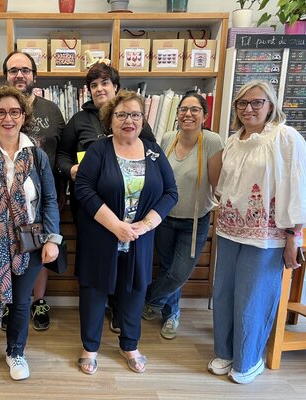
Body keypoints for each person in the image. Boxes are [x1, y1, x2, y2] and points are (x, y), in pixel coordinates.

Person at [0, 85, 62, 388]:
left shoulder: (38, 157)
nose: (8, 118)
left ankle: (15, 353)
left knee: (20, 304)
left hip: (28, 243)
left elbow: (50, 199)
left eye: (14, 112)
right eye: (0, 112)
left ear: (23, 116)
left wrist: (52, 239)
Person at [208, 80, 306, 384]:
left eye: (256, 102)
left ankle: (247, 360)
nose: (248, 108)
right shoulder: (233, 141)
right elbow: (224, 186)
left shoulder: (285, 137)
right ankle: (225, 352)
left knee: (253, 298)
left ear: (270, 105)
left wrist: (294, 236)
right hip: (229, 230)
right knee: (224, 293)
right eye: (242, 103)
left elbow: (298, 188)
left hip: (266, 237)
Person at [74, 90, 177, 375]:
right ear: (110, 119)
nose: (128, 120)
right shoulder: (98, 150)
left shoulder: (154, 152)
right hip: (101, 236)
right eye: (121, 115)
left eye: (134, 114)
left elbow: (171, 192)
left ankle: (130, 345)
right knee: (94, 291)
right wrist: (115, 225)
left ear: (143, 120)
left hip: (139, 239)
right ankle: (90, 347)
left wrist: (146, 224)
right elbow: (83, 189)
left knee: (135, 290)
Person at [0, 51, 65, 331]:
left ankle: (37, 301)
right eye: (13, 70)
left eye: (25, 70)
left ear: (34, 75)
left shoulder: (52, 110)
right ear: (5, 76)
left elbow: (61, 152)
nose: (19, 75)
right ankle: (8, 304)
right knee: (8, 256)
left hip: (41, 199)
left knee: (37, 251)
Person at [57, 62, 155, 333]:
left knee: (126, 261)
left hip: (130, 210)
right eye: (94, 85)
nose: (99, 89)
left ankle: (117, 308)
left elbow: (151, 152)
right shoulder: (78, 120)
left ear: (116, 87)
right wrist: (71, 170)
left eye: (105, 83)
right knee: (96, 261)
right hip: (90, 207)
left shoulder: (134, 121)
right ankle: (95, 314)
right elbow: (62, 154)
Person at [142, 93, 224, 339]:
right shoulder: (168, 138)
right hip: (164, 218)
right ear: (177, 114)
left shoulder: (212, 141)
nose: (188, 114)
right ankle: (171, 315)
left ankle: (149, 301)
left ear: (204, 116)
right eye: (183, 109)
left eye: (195, 109)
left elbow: (217, 184)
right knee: (167, 269)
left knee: (179, 273)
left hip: (194, 221)